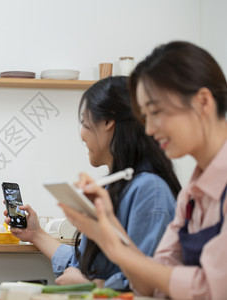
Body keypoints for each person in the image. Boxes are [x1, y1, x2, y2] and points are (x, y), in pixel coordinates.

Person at [60, 41, 227, 299]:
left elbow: (209, 288)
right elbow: (151, 282)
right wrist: (106, 228)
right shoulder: (191, 195)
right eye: (145, 117)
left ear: (203, 102)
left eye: (156, 112)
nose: (149, 129)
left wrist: (110, 243)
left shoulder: (157, 188)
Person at [6, 76, 181, 290]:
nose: (81, 135)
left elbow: (149, 283)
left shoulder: (149, 190)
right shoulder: (114, 187)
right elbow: (88, 266)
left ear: (108, 122)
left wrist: (94, 285)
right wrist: (36, 235)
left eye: (85, 123)